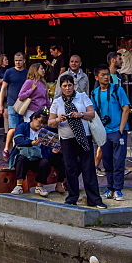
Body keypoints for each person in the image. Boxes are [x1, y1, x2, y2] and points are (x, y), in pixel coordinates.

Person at [48, 75, 105, 208]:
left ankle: (94, 199)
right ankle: (72, 197)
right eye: (65, 86)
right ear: (61, 87)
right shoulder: (57, 102)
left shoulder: (82, 96)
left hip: (84, 136)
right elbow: (50, 122)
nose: (68, 88)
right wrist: (58, 120)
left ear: (74, 86)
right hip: (67, 139)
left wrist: (81, 114)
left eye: (70, 85)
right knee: (70, 168)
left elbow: (92, 113)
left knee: (88, 167)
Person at [91, 65, 130, 200]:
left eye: (108, 74)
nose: (106, 77)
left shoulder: (117, 89)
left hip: (118, 131)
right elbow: (94, 112)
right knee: (107, 161)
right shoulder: (95, 93)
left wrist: (121, 127)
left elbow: (126, 108)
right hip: (104, 131)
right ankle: (110, 187)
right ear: (97, 77)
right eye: (103, 75)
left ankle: (118, 189)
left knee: (118, 161)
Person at [10, 109, 65, 197]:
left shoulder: (44, 132)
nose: (41, 125)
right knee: (21, 158)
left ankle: (40, 186)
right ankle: (19, 186)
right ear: (34, 118)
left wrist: (52, 151)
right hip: (26, 156)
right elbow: (18, 140)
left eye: (44, 123)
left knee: (46, 162)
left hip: (38, 158)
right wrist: (30, 143)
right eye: (40, 122)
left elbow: (46, 151)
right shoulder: (23, 126)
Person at [0, 52, 28, 142]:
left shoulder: (27, 73)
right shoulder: (9, 72)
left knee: (24, 129)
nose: (18, 62)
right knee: (13, 129)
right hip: (12, 104)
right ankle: (14, 149)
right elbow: (3, 88)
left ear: (24, 61)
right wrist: (0, 105)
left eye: (20, 60)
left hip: (24, 104)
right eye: (16, 60)